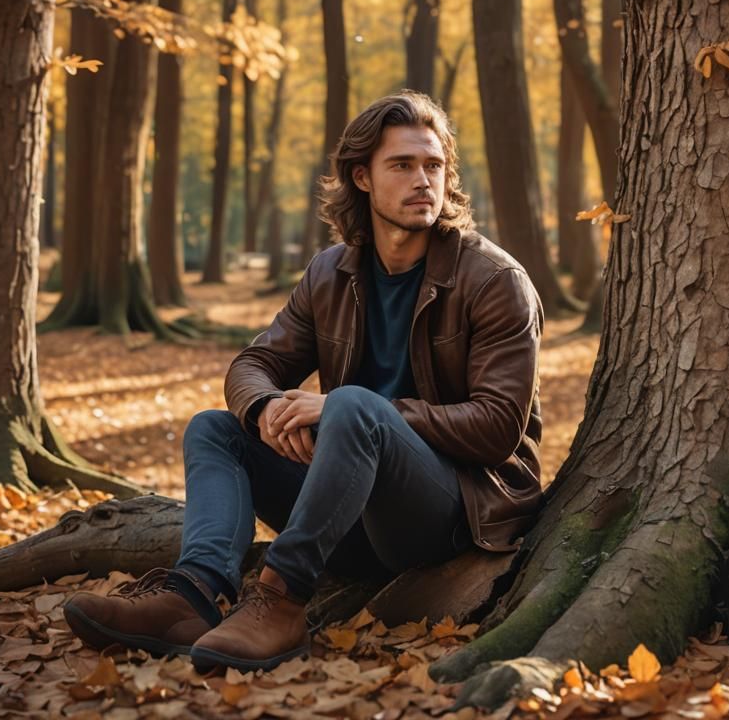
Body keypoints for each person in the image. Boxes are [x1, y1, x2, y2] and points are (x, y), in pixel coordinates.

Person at [64, 91, 544, 673]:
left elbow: (496, 429)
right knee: (217, 430)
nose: (424, 180)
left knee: (352, 407)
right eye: (403, 165)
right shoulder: (331, 271)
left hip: (451, 514)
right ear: (362, 177)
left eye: (433, 165)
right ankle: (192, 595)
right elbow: (252, 365)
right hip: (344, 511)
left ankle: (281, 599)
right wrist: (266, 407)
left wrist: (353, 411)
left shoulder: (493, 279)